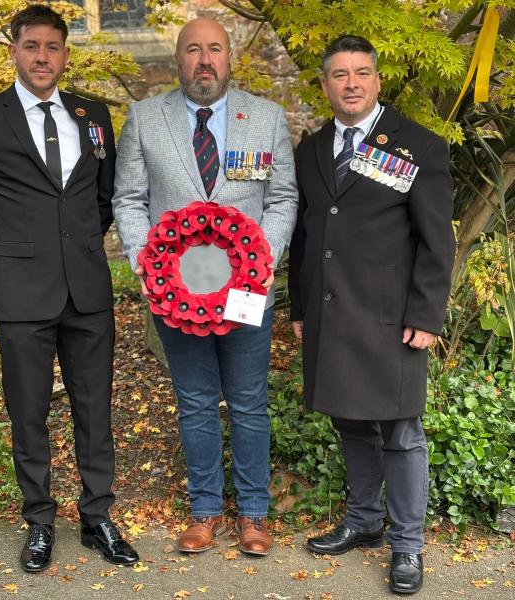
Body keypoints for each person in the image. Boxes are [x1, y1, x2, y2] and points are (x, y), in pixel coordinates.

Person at [0, 4, 139, 573]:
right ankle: (40, 521)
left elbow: (104, 194)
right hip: (20, 294)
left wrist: (76, 250)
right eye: (32, 46)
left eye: (53, 48)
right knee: (29, 413)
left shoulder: (92, 113)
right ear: (14, 52)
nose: (42, 57)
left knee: (94, 408)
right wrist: (1, 268)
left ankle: (98, 515)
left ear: (65, 54)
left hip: (87, 291)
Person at [113, 18, 298, 556]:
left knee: (247, 401)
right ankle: (204, 511)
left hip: (246, 290)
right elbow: (128, 199)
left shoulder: (265, 118)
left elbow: (282, 198)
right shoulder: (145, 119)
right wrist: (145, 265)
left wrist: (262, 261)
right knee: (194, 401)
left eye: (214, 48)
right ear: (178, 58)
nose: (204, 60)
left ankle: (255, 516)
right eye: (193, 49)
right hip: (177, 294)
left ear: (230, 57)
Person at [289, 35, 454, 594]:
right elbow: (305, 234)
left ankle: (408, 545)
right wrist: (299, 305)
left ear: (378, 80)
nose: (351, 83)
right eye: (339, 74)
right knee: (349, 420)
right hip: (330, 313)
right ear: (325, 84)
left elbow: (437, 242)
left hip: (391, 318)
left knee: (401, 430)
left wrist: (428, 315)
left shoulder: (417, 147)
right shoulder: (311, 149)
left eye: (362, 73)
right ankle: (364, 520)